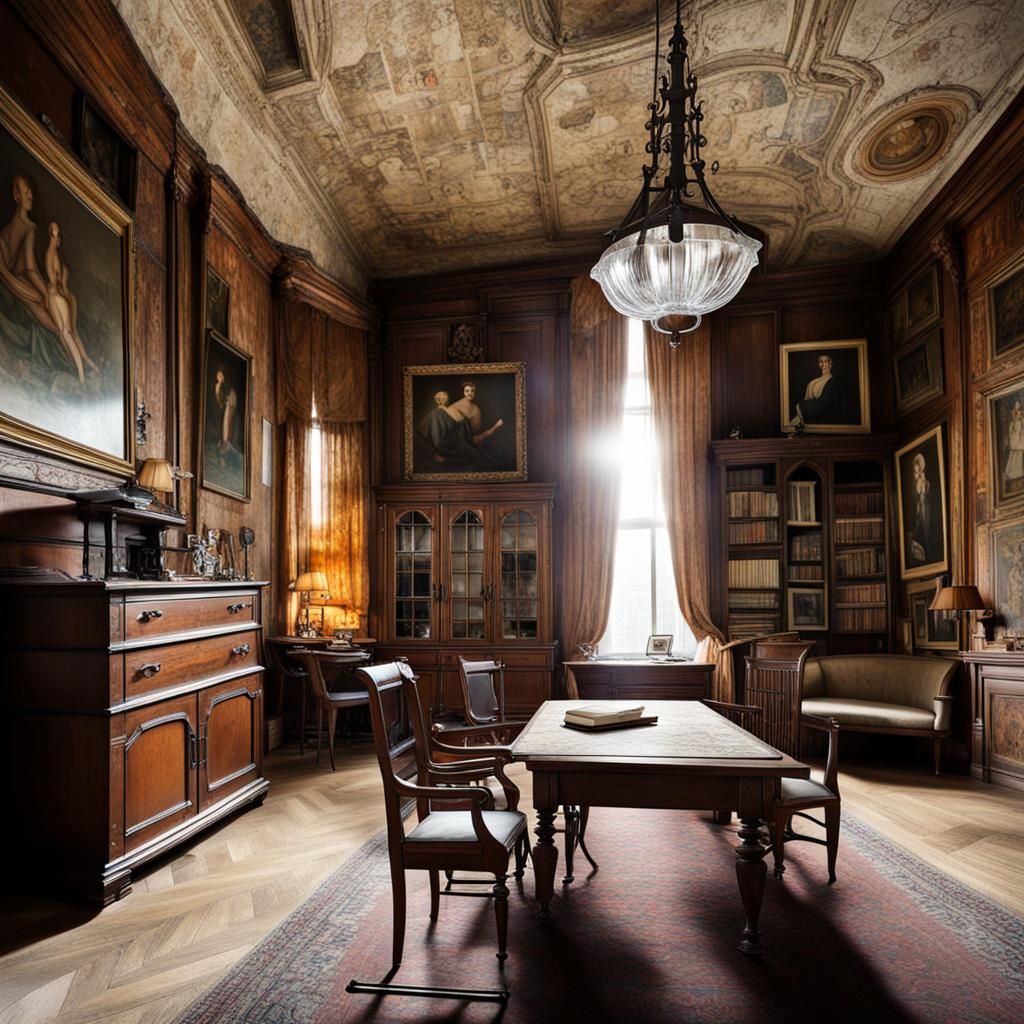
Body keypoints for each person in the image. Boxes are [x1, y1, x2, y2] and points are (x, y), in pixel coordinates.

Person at [0, 173, 59, 335]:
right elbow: (31, 269)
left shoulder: (4, 233)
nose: (31, 196)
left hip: (14, 283)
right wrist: (45, 294)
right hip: (22, 283)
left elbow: (6, 271)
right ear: (16, 195)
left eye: (31, 193)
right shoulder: (29, 227)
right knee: (50, 316)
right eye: (27, 193)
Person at [44, 221, 97, 383]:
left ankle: (81, 376)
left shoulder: (50, 255)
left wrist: (49, 293)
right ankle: (88, 365)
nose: (56, 237)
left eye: (57, 234)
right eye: (55, 233)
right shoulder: (59, 257)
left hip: (58, 296)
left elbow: (54, 283)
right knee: (70, 333)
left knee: (65, 332)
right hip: (67, 297)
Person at [418, 381, 503, 465]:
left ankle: (435, 450)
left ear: (475, 393)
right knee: (437, 414)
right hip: (451, 430)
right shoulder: (458, 403)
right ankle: (431, 448)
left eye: (472, 391)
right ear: (464, 392)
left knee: (438, 415)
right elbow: (448, 417)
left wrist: (495, 427)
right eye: (467, 391)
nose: (469, 393)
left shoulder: (476, 409)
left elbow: (472, 434)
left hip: (462, 436)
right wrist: (442, 407)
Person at [791, 353, 843, 427]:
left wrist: (800, 406)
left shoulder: (834, 382)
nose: (823, 365)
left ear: (830, 363)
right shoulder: (812, 382)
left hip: (825, 419)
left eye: (825, 362)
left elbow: (824, 405)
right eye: (820, 362)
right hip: (811, 416)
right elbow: (807, 400)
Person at [907, 451, 932, 565]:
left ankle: (926, 545)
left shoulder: (925, 482)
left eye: (919, 471)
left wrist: (923, 481)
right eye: (915, 472)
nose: (916, 475)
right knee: (918, 525)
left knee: (925, 526)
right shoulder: (915, 484)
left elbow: (924, 493)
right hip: (919, 505)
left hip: (924, 506)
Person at [1005, 401, 1024, 494]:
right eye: (1015, 411)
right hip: (1014, 443)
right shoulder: (1012, 423)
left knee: (1018, 458)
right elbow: (1010, 433)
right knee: (1013, 458)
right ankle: (1011, 473)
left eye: (1018, 411)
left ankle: (1018, 473)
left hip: (1019, 443)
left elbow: (1022, 433)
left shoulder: (1021, 422)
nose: (1016, 413)